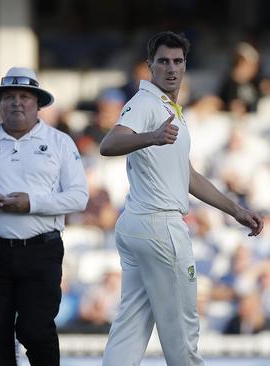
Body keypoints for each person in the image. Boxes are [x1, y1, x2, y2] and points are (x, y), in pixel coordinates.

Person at [99, 31, 263, 366]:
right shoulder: (146, 103)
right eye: (163, 61)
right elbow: (109, 144)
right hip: (159, 226)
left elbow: (186, 175)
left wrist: (235, 210)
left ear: (185, 65)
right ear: (150, 66)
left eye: (177, 61)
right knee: (183, 338)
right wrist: (152, 137)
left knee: (130, 331)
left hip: (139, 226)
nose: (171, 68)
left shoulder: (169, 107)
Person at [0, 66, 88, 366]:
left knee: (37, 332)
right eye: (9, 96)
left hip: (40, 250)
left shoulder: (60, 142)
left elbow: (79, 197)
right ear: (0, 103)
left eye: (25, 96)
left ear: (38, 104)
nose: (17, 102)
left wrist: (31, 204)